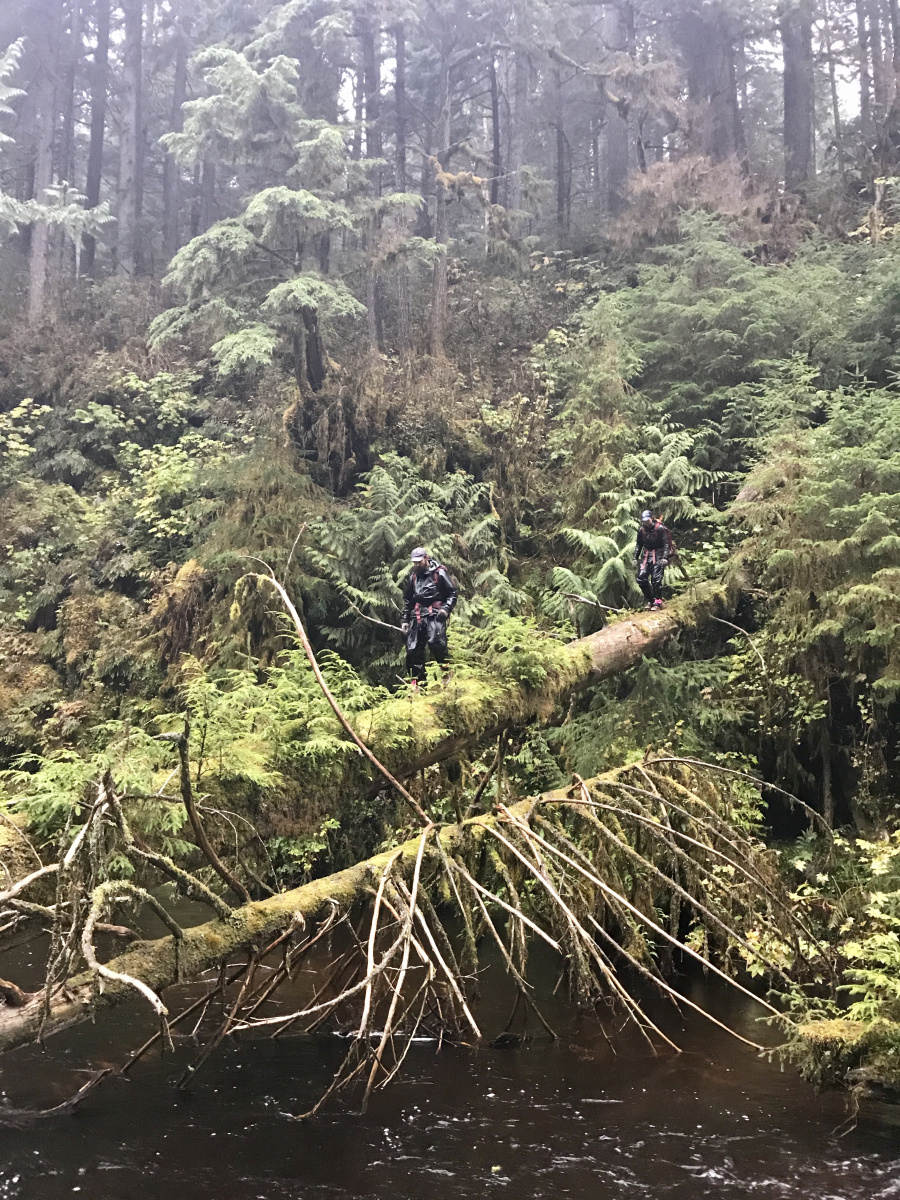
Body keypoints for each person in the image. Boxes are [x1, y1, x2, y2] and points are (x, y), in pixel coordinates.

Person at [401, 547, 458, 687]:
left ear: (426, 558)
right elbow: (408, 600)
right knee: (413, 650)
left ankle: (446, 673)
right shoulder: (413, 577)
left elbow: (452, 593)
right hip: (417, 615)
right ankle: (418, 684)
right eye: (414, 562)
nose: (416, 565)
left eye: (418, 561)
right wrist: (405, 619)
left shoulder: (439, 573)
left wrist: (446, 609)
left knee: (436, 643)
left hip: (435, 615)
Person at [634, 510, 676, 610]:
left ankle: (658, 602)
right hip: (646, 555)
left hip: (659, 555)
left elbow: (666, 544)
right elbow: (639, 545)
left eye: (647, 520)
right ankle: (650, 600)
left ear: (651, 518)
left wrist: (665, 558)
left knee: (656, 580)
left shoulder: (660, 529)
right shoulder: (641, 531)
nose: (646, 523)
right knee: (641, 578)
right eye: (644, 521)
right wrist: (635, 557)